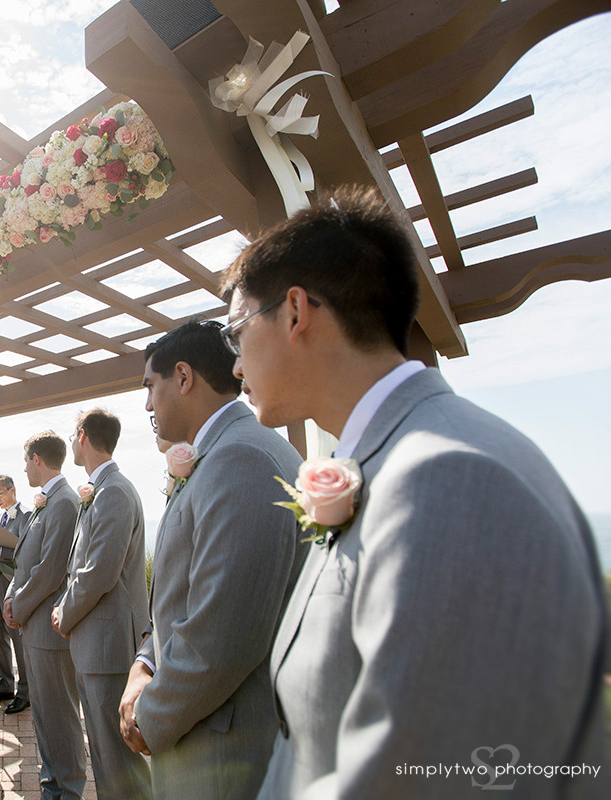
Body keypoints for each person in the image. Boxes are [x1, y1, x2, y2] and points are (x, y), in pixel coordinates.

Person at [222, 187, 607, 799]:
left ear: (295, 312)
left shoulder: (447, 478)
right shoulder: (397, 457)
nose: (236, 365)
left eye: (236, 331)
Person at [119, 320, 306, 800]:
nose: (147, 404)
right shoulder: (227, 451)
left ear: (183, 377)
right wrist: (144, 663)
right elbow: (180, 593)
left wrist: (149, 717)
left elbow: (223, 635)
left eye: (150, 386)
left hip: (222, 751)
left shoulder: (240, 458)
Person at [52, 409, 151, 799]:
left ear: (82, 436)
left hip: (109, 646)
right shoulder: (102, 489)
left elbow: (99, 572)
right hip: (96, 643)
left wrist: (64, 612)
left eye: (72, 437)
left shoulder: (113, 492)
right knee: (106, 757)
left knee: (118, 761)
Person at [4, 433, 85, 800]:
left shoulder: (64, 502)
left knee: (60, 717)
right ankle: (51, 788)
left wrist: (17, 608)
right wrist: (10, 596)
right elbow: (24, 561)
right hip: (33, 628)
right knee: (43, 718)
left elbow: (51, 571)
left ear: (37, 459)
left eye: (26, 461)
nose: (24, 469)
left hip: (49, 631)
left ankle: (68, 790)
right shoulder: (46, 501)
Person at [0, 474, 30, 714]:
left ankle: (25, 691)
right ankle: (5, 685)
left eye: (0, 493)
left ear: (13, 490)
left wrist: (0, 550)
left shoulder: (26, 516)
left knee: (17, 638)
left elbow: (26, 551)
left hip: (13, 584)